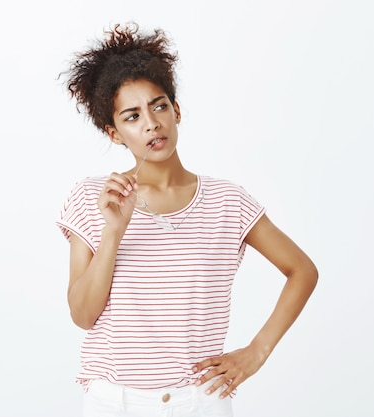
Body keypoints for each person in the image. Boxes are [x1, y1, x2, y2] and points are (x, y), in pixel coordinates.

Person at [56, 21, 318, 417]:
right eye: (132, 116)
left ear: (176, 110)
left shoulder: (227, 201)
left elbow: (302, 270)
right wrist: (114, 231)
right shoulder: (95, 198)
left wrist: (256, 352)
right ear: (114, 133)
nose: (151, 123)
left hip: (201, 402)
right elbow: (82, 314)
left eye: (159, 105)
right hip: (114, 403)